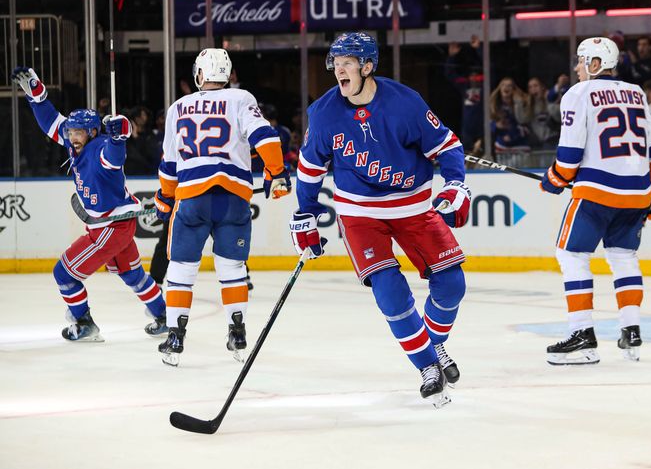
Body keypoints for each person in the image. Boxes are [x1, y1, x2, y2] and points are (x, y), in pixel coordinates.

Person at [290, 32, 469, 408]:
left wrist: (455, 185)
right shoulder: (323, 114)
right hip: (359, 212)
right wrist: (305, 214)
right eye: (335, 62)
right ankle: (426, 365)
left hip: (413, 206)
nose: (338, 69)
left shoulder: (405, 103)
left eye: (347, 62)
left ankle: (431, 344)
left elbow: (448, 146)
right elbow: (309, 170)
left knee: (452, 282)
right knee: (389, 289)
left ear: (368, 66)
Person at [538, 37, 651, 365]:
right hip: (637, 196)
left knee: (571, 254)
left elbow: (569, 157)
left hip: (597, 194)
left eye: (581, 60)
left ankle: (583, 336)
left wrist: (554, 180)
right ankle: (631, 330)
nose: (576, 68)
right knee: (623, 255)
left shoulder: (578, 93)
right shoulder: (637, 93)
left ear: (596, 64)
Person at [154, 48, 291, 366]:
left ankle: (175, 337)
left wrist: (164, 196)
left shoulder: (178, 107)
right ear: (227, 74)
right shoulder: (242, 98)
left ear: (199, 74)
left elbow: (169, 163)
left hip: (192, 198)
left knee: (181, 270)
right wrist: (277, 172)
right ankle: (238, 331)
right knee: (232, 269)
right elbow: (264, 136)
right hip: (233, 198)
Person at [11, 67, 167, 341]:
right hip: (117, 225)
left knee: (64, 274)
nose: (72, 136)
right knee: (133, 276)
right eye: (71, 132)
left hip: (108, 228)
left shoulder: (100, 148)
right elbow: (51, 123)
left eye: (78, 132)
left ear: (94, 132)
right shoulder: (77, 144)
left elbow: (114, 157)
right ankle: (163, 316)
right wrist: (37, 94)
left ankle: (83, 324)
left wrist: (121, 134)